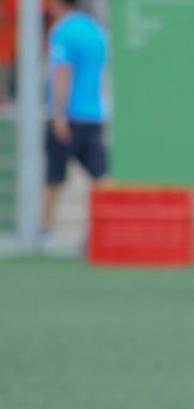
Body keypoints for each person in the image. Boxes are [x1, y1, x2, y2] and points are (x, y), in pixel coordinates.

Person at [41, 0, 108, 243]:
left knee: (52, 178)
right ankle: (103, 229)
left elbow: (63, 74)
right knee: (100, 177)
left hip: (69, 116)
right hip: (94, 115)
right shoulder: (97, 31)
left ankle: (44, 230)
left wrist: (59, 113)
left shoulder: (63, 32)